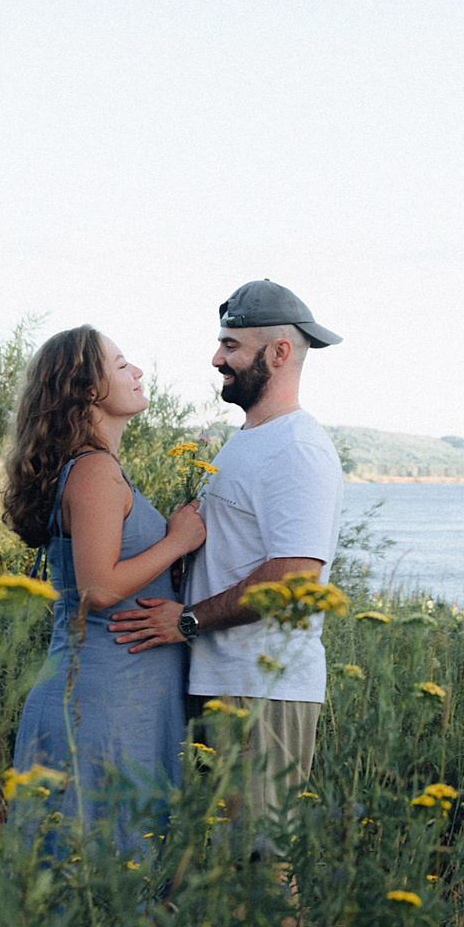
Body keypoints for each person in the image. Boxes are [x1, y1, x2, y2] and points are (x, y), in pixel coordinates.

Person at [112, 280, 343, 846]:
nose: (218, 358)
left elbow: (293, 579)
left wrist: (185, 621)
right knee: (215, 868)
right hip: (221, 681)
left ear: (280, 352)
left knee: (260, 868)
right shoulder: (247, 440)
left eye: (232, 345)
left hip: (263, 689)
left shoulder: (300, 447)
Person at [3, 326, 207, 853]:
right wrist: (178, 542)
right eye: (121, 365)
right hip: (101, 701)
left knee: (119, 858)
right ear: (88, 389)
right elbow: (97, 588)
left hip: (125, 695)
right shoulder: (93, 471)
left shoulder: (98, 469)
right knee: (97, 863)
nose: (137, 372)